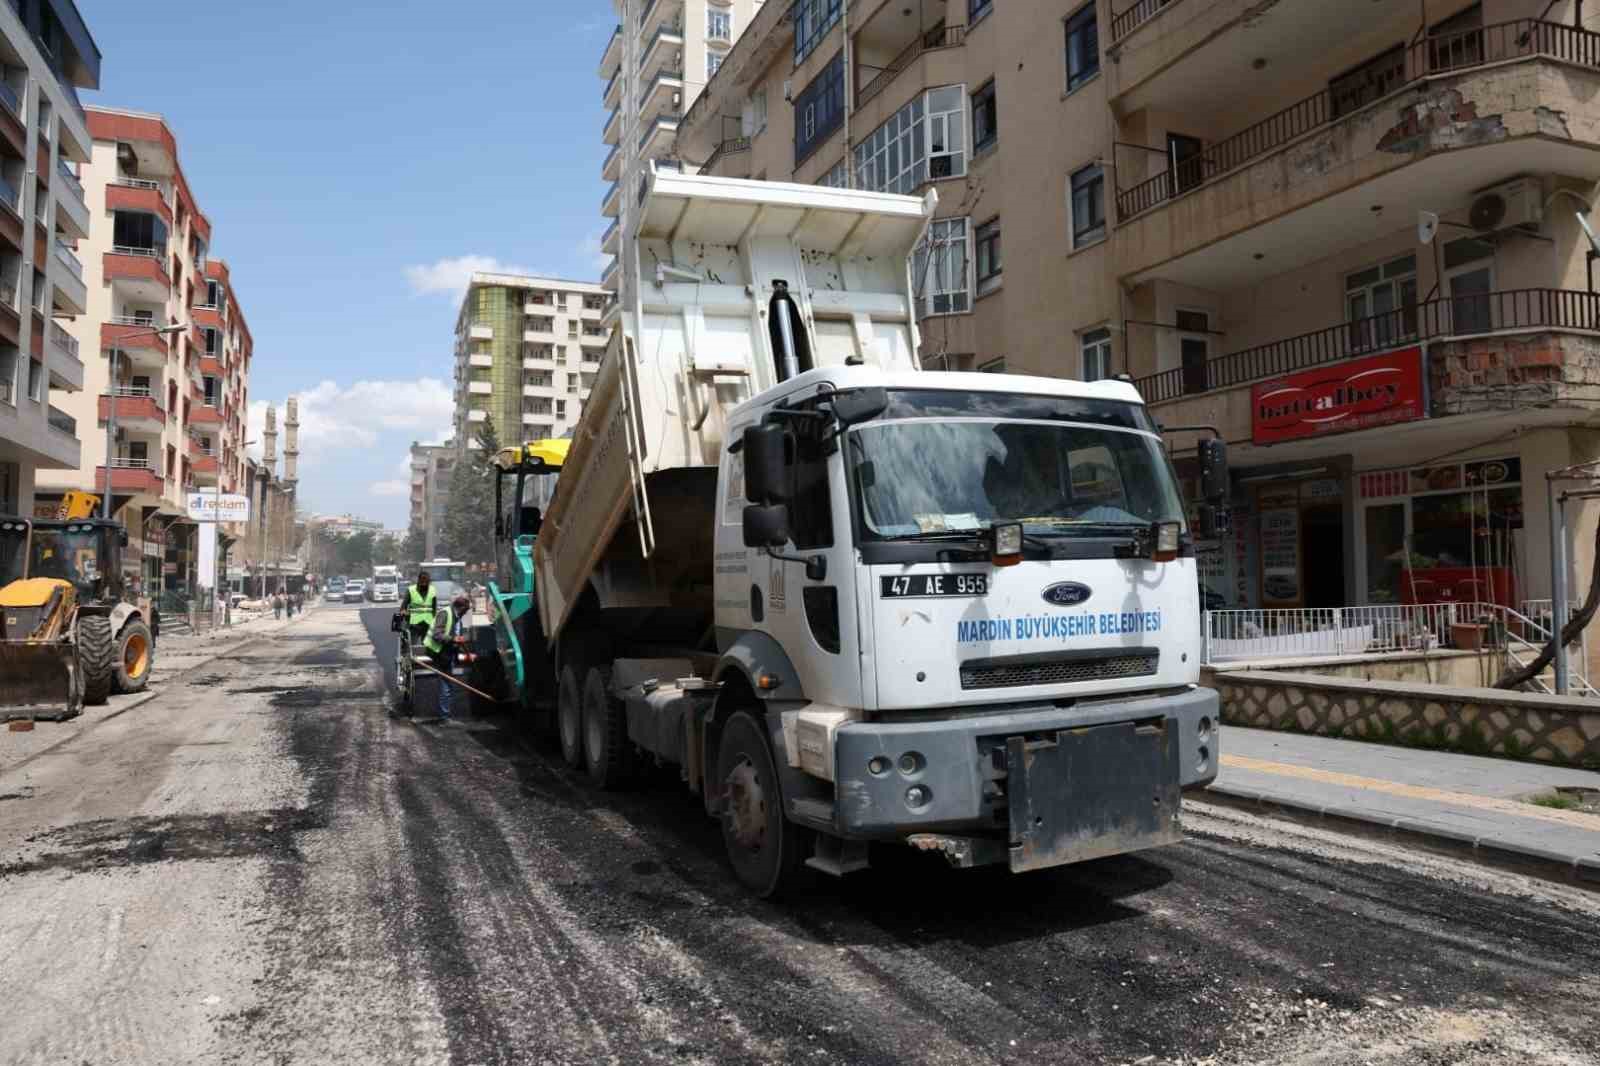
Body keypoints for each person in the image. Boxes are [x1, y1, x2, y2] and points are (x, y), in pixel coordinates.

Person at [422, 592, 472, 721]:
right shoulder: (445, 614)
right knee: (446, 684)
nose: (465, 613)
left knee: (448, 684)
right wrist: (454, 639)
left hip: (448, 652)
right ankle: (444, 716)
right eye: (465, 611)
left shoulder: (456, 616)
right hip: (438, 652)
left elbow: (456, 635)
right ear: (460, 608)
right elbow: (437, 635)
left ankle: (445, 713)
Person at [401, 570, 437, 648]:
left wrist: (435, 621)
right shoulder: (411, 590)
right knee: (413, 647)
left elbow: (434, 608)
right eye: (422, 581)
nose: (424, 583)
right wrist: (404, 612)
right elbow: (403, 607)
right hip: (414, 623)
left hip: (428, 623)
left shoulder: (433, 590)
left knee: (427, 647)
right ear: (419, 581)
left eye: (426, 581)